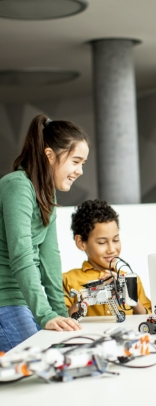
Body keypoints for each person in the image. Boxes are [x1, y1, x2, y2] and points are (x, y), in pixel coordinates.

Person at [0, 114, 88, 351]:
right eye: (76, 161)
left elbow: (50, 259)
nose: (80, 171)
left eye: (83, 164)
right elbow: (21, 255)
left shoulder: (47, 194)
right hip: (5, 299)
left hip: (26, 299)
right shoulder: (17, 186)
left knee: (63, 351)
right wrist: (45, 314)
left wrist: (59, 314)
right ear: (50, 155)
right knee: (43, 366)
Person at [63, 199, 152, 316]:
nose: (111, 249)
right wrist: (89, 294)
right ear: (81, 242)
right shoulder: (68, 280)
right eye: (101, 242)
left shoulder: (131, 280)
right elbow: (62, 320)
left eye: (116, 240)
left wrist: (128, 293)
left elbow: (149, 319)